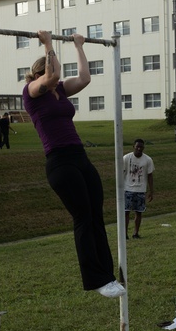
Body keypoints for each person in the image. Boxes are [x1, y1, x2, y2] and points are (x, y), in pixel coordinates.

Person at [22, 30, 125, 299]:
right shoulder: (32, 92)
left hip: (80, 157)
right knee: (82, 217)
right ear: (39, 75)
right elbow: (53, 75)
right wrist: (48, 43)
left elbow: (84, 78)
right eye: (49, 72)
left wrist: (79, 46)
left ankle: (108, 276)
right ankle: (95, 279)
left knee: (96, 215)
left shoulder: (60, 92)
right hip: (59, 162)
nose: (55, 77)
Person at [123, 139, 154, 239]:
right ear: (133, 147)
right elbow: (121, 172)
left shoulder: (148, 160)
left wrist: (151, 190)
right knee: (126, 212)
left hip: (140, 190)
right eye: (137, 147)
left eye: (141, 147)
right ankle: (124, 234)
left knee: (138, 212)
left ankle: (135, 233)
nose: (139, 149)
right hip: (128, 189)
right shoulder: (126, 158)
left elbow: (150, 175)